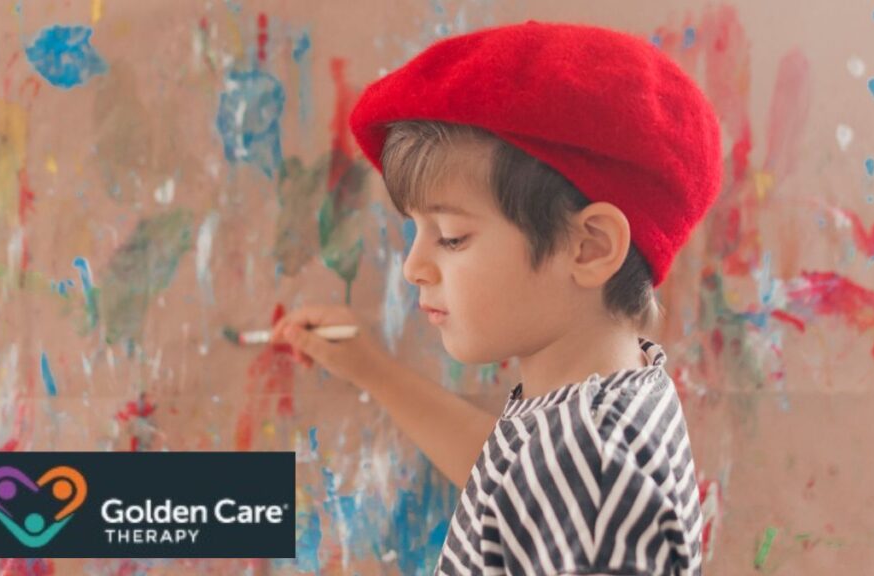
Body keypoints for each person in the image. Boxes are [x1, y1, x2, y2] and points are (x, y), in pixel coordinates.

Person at [272, 20, 721, 575]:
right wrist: (371, 369)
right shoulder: (599, 404)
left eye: (452, 236)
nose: (414, 267)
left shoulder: (596, 466)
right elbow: (509, 484)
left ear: (589, 246)